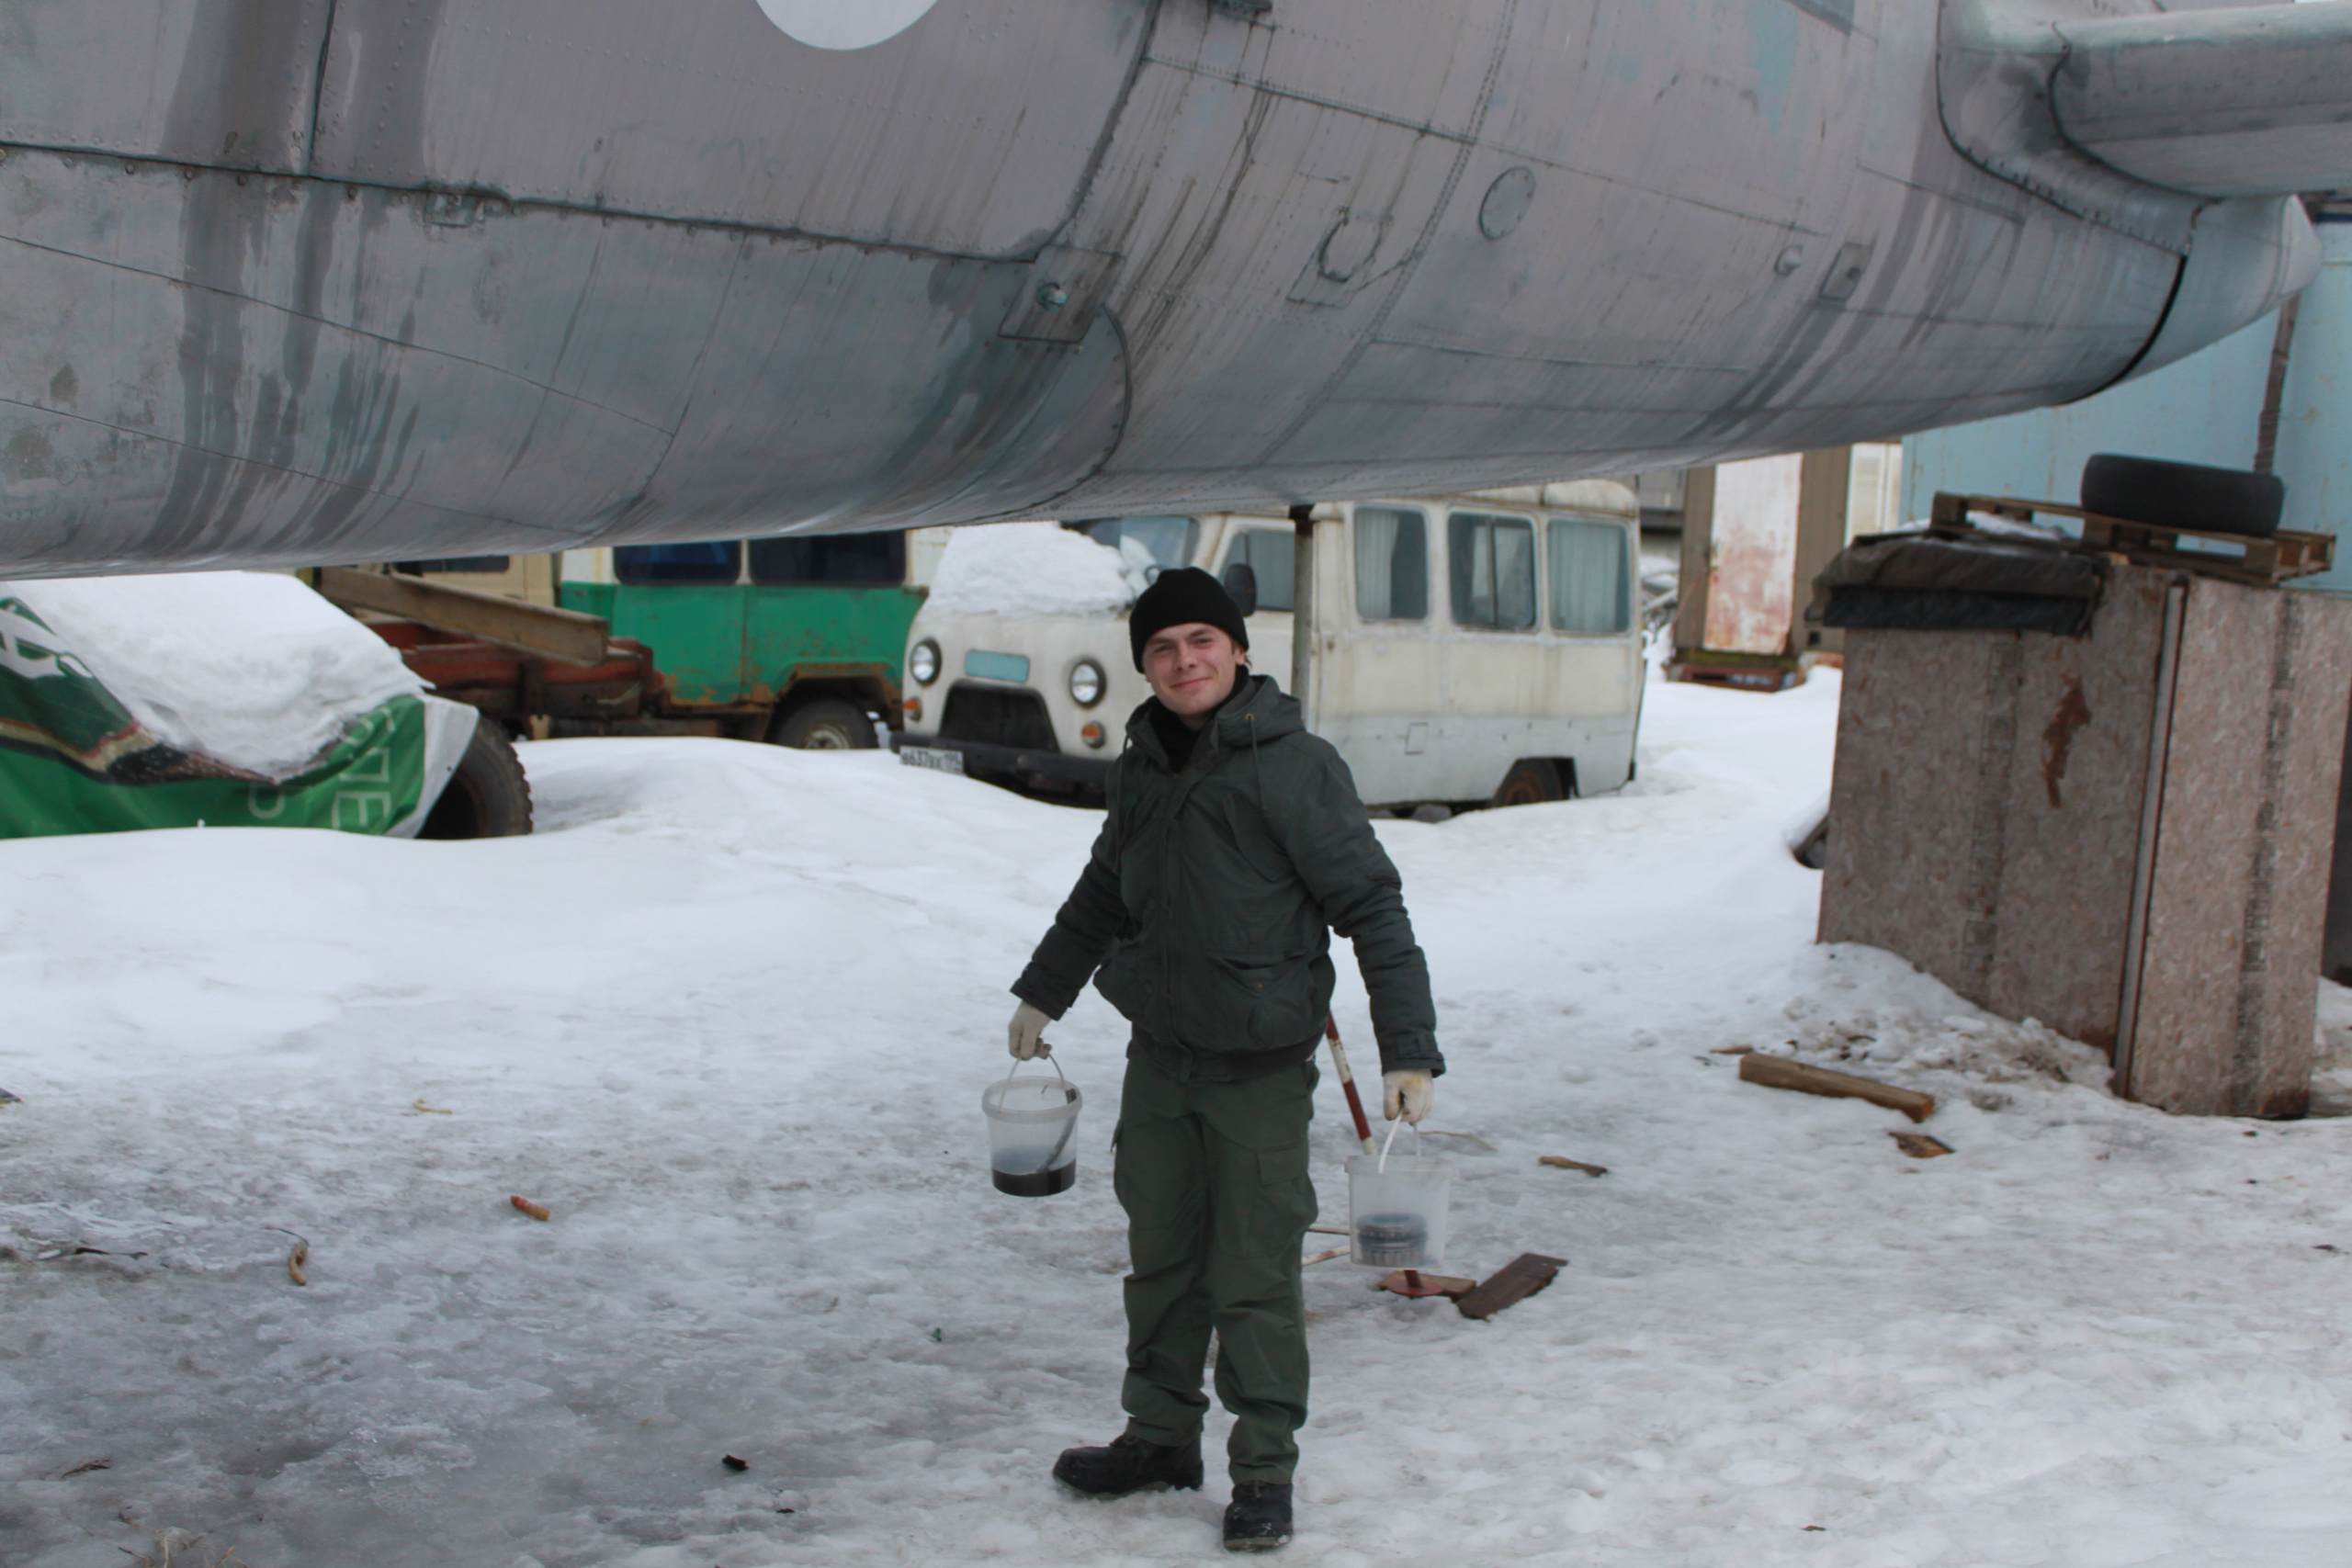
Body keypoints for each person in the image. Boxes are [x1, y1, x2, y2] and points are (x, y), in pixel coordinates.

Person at [1006, 566, 1443, 1552]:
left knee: (1251, 1275)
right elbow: (1102, 893)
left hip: (1255, 1073)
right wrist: (1045, 989)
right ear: (1147, 669)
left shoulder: (1294, 767)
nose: (1183, 661)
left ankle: (1263, 1471)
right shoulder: (1142, 768)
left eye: (1201, 640)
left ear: (1238, 650)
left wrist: (1407, 1048)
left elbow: (1372, 908)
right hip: (1160, 1061)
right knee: (1161, 1262)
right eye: (1161, 649)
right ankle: (1160, 1435)